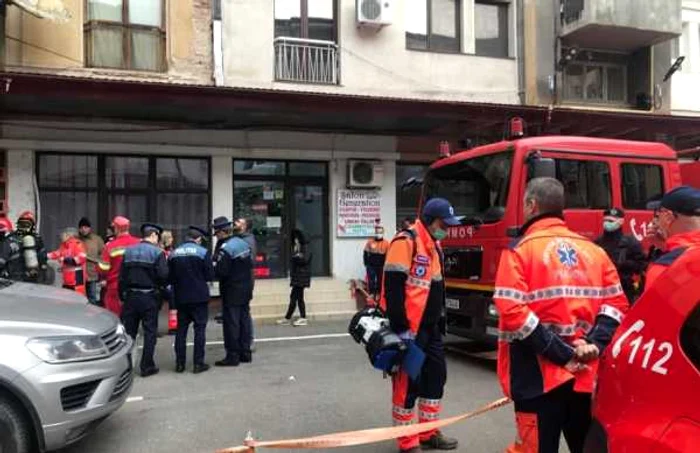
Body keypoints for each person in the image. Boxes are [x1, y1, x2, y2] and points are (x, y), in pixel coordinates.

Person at [494, 178, 629, 453]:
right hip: (586, 378)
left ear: (532, 205)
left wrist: (562, 353)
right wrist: (593, 345)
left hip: (537, 379)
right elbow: (617, 305)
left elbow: (513, 311)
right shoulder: (595, 251)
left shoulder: (519, 251)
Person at [381, 198, 461, 453]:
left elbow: (434, 285)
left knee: (436, 377)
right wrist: (401, 328)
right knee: (408, 385)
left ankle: (428, 432)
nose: (446, 229)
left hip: (431, 328)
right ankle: (407, 441)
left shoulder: (434, 245)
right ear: (429, 221)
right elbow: (392, 288)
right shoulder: (406, 242)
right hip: (410, 331)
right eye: (443, 224)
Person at [119, 223, 169, 377]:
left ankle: (125, 367)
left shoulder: (128, 251)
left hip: (131, 297)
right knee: (149, 332)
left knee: (129, 334)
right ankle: (147, 366)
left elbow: (122, 277)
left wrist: (123, 295)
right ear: (153, 235)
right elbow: (163, 276)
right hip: (149, 297)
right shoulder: (157, 253)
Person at [169, 226, 214, 374]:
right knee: (199, 330)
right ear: (198, 239)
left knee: (181, 331)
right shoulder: (203, 252)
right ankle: (198, 364)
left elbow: (170, 276)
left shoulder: (174, 253)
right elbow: (209, 275)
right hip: (199, 297)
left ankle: (179, 364)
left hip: (181, 297)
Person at [213, 216, 253, 367]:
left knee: (232, 323)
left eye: (217, 233)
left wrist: (214, 267)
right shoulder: (243, 244)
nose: (216, 236)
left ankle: (232, 356)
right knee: (244, 321)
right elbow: (249, 265)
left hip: (231, 290)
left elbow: (221, 271)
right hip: (245, 288)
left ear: (222, 232)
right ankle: (245, 352)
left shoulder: (227, 248)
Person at [644, 185, 700, 290]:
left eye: (658, 215)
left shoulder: (664, 268)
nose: (656, 222)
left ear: (668, 217)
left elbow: (653, 305)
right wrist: (665, 248)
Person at [594, 208, 646, 303]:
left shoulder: (631, 243)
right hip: (603, 289)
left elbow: (642, 264)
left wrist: (624, 264)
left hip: (624, 289)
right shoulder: (598, 243)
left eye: (611, 221)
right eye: (605, 220)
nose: (607, 223)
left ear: (621, 222)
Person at [99, 216, 140, 317]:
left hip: (115, 287)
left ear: (116, 228)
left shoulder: (110, 246)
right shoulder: (139, 243)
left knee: (114, 317)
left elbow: (103, 269)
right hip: (136, 286)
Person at [277, 229, 312, 327]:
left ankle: (300, 318)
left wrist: (296, 257)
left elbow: (304, 260)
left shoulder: (306, 247)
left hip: (302, 276)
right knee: (296, 297)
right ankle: (290, 317)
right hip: (297, 276)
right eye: (294, 239)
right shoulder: (297, 248)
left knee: (296, 297)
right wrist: (296, 256)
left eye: (297, 239)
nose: (295, 241)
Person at [6, 210, 48, 283]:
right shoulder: (37, 238)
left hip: (15, 276)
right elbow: (43, 256)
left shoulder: (12, 237)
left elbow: (4, 256)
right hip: (32, 275)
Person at [235, 217, 258, 348]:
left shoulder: (248, 240)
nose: (235, 224)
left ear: (244, 227)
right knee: (242, 311)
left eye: (239, 222)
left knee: (244, 310)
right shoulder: (240, 238)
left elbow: (250, 261)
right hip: (242, 280)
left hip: (245, 280)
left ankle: (248, 341)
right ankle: (243, 339)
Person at [48, 228, 87, 295]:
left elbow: (81, 258)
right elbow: (56, 253)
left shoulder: (78, 244)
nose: (61, 236)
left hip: (77, 278)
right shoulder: (63, 245)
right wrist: (45, 255)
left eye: (62, 234)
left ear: (68, 235)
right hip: (67, 279)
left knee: (77, 298)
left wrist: (65, 260)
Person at [78, 217, 105, 305]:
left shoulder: (97, 239)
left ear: (89, 228)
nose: (83, 229)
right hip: (79, 274)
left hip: (92, 273)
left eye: (86, 227)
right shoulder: (75, 240)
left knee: (92, 298)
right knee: (79, 298)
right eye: (81, 227)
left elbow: (104, 254)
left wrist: (95, 261)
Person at [364, 224, 390, 298]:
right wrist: (366, 263)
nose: (379, 234)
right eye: (377, 232)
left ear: (383, 233)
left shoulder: (386, 243)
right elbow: (365, 252)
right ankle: (371, 293)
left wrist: (386, 265)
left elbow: (388, 255)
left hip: (381, 265)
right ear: (375, 233)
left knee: (380, 280)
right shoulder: (370, 241)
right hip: (371, 265)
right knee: (371, 280)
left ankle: (379, 293)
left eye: (380, 232)